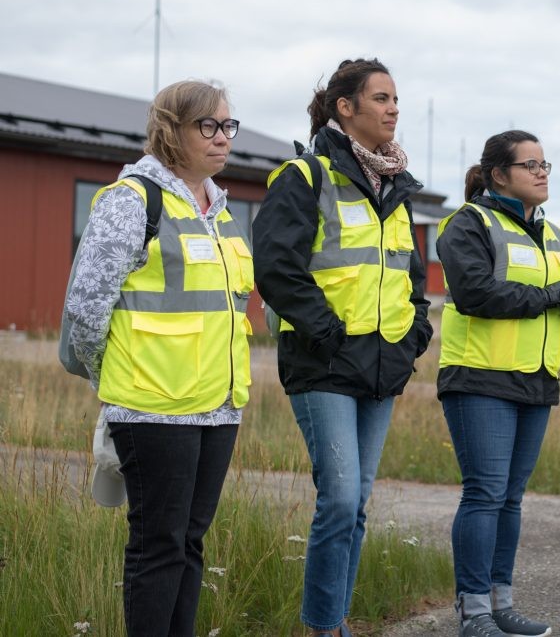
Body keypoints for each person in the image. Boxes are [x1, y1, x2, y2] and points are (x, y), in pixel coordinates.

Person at [63, 80, 252, 637]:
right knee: (159, 545)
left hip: (217, 407)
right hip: (152, 407)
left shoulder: (218, 210)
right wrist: (116, 373)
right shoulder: (132, 201)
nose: (222, 138)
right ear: (172, 130)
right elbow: (86, 308)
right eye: (208, 126)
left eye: (227, 126)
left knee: (190, 543)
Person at [252, 58, 432, 637]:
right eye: (381, 98)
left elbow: (412, 276)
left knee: (355, 504)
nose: (394, 109)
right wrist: (326, 333)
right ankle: (324, 628)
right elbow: (278, 268)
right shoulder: (305, 176)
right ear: (345, 109)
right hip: (323, 363)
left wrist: (414, 336)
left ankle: (336, 622)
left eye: (396, 99)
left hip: (382, 368)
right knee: (340, 497)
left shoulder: (397, 188)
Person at [436, 130, 560, 637]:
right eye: (530, 165)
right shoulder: (468, 224)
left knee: (510, 498)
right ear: (499, 175)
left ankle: (502, 603)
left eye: (545, 164)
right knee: (484, 494)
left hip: (538, 382)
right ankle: (474, 613)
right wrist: (553, 296)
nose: (542, 172)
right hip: (479, 378)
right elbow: (477, 293)